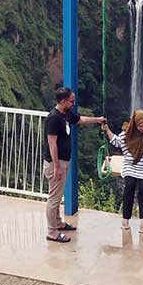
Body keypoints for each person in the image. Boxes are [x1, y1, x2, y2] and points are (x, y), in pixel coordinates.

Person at [44, 86, 106, 243]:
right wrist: (57, 167)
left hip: (63, 161)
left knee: (57, 196)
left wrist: (97, 119)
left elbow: (79, 120)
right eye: (72, 101)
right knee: (54, 198)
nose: (74, 103)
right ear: (63, 101)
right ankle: (52, 232)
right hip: (55, 164)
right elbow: (52, 144)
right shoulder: (54, 118)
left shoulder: (65, 114)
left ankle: (58, 223)